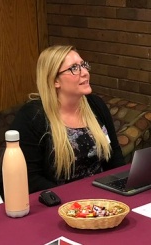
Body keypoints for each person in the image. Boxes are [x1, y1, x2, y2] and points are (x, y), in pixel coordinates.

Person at [10, 45, 125, 193]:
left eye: (83, 65)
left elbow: (114, 154)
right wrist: (72, 197)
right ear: (54, 81)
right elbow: (30, 178)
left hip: (102, 194)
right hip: (61, 201)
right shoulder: (32, 116)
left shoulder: (95, 104)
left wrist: (124, 186)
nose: (85, 73)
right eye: (74, 68)